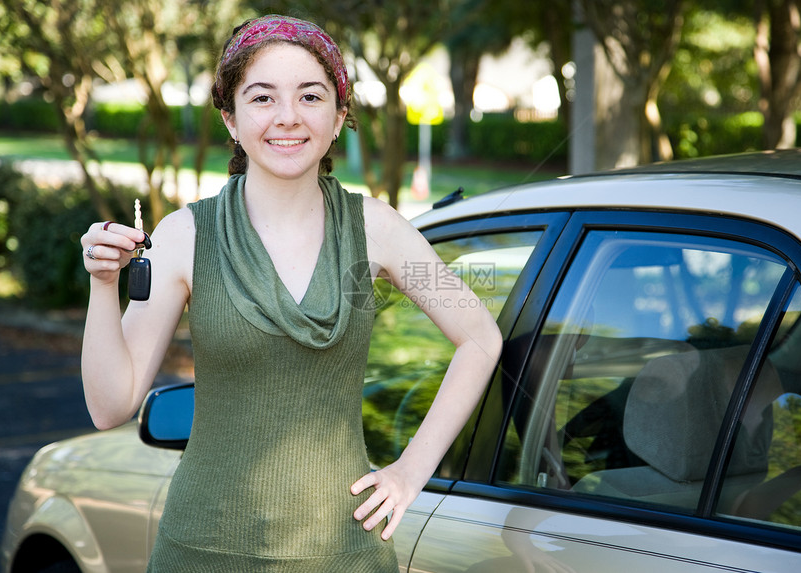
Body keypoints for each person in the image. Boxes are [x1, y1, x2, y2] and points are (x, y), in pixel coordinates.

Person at [79, 14, 502, 572]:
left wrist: (408, 472)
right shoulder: (184, 237)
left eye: (310, 95)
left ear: (339, 115)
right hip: (202, 550)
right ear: (230, 119)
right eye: (262, 98)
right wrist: (104, 284)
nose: (288, 117)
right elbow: (110, 404)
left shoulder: (377, 231)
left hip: (344, 553)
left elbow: (480, 339)